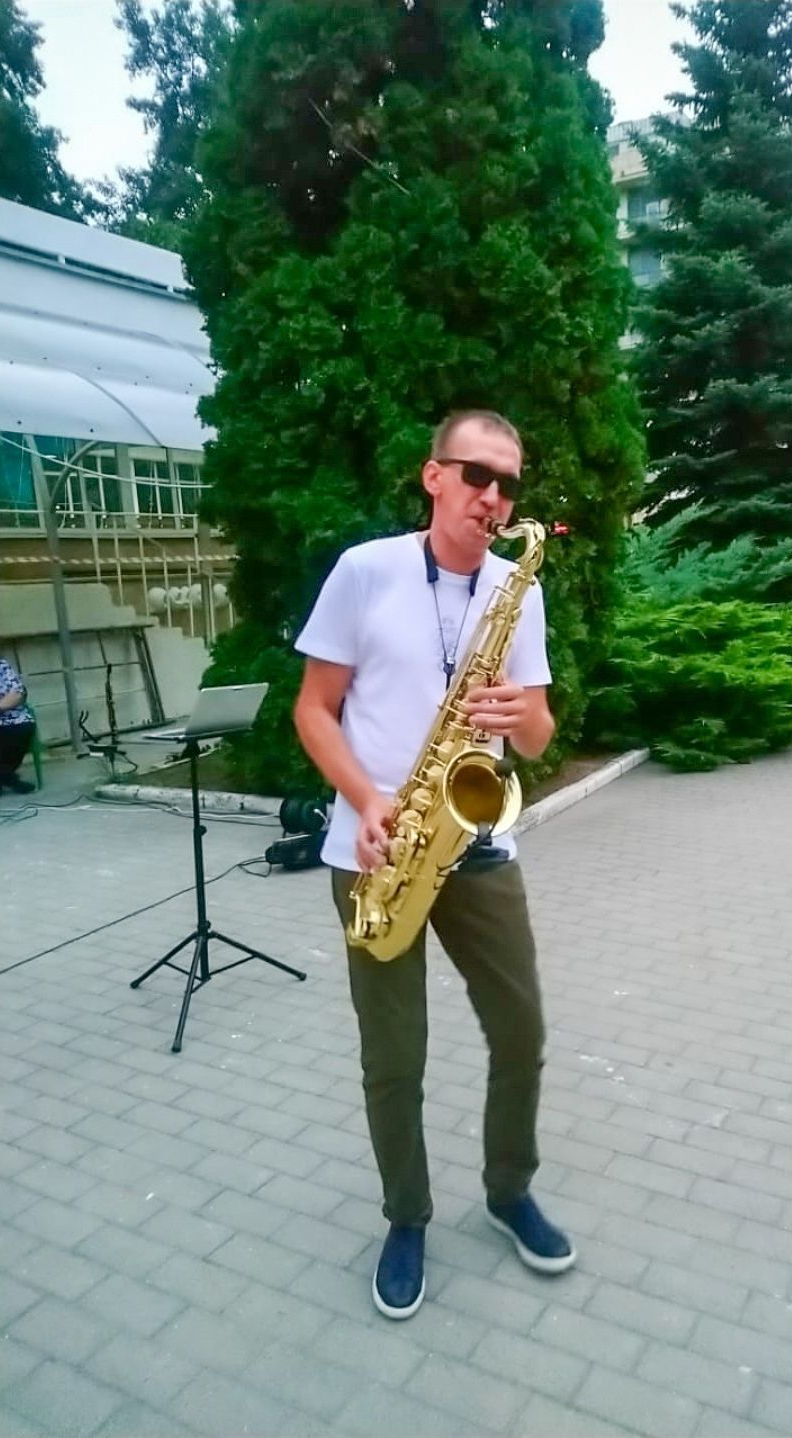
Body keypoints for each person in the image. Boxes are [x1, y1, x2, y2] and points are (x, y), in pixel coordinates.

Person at [293, 410, 575, 1320]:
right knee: (393, 1058)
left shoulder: (516, 590)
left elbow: (539, 735)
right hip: (376, 846)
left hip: (476, 842)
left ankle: (508, 1192)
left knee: (521, 1033)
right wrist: (365, 799)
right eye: (476, 475)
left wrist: (520, 716)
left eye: (508, 484)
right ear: (434, 476)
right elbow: (312, 709)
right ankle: (406, 1217)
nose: (493, 498)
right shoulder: (365, 571)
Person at [0, 635, 37, 796]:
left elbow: (18, 692)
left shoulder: (2, 666)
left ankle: (3, 776)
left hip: (10, 713)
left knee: (25, 725)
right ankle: (6, 777)